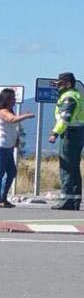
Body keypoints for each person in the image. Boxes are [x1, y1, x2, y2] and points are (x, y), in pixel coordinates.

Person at [0, 88, 34, 208]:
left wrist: (17, 139)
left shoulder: (10, 110)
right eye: (12, 98)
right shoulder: (2, 111)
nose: (14, 101)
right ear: (6, 99)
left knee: (11, 172)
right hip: (0, 146)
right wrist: (26, 115)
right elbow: (11, 119)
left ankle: (3, 197)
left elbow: (13, 127)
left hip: (8, 146)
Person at [48, 72, 84, 211]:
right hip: (79, 131)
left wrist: (55, 133)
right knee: (74, 167)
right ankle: (74, 200)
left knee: (67, 167)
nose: (58, 87)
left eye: (60, 84)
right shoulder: (78, 95)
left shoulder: (69, 97)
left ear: (68, 84)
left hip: (70, 133)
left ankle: (67, 200)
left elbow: (65, 117)